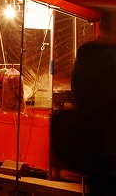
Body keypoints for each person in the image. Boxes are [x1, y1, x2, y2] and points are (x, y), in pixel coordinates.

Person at [71, 12, 116, 196]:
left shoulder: (87, 52)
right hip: (102, 146)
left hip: (95, 146)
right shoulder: (90, 54)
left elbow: (77, 92)